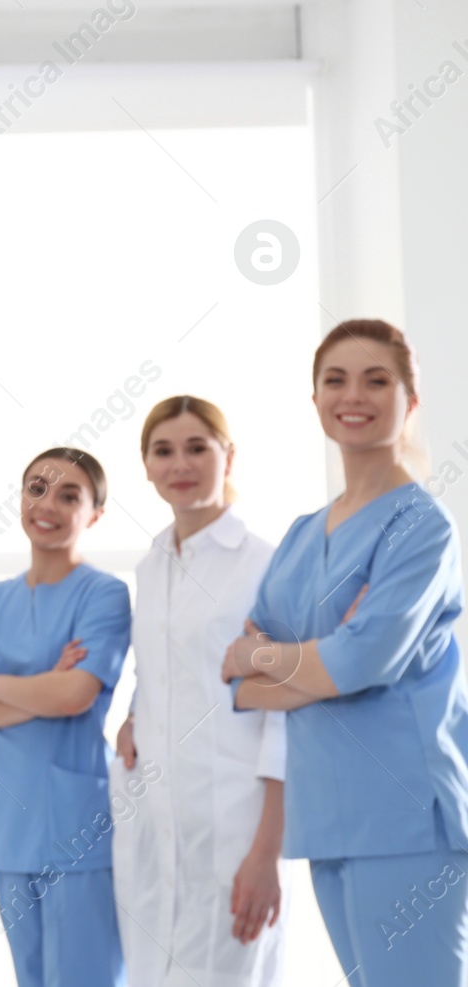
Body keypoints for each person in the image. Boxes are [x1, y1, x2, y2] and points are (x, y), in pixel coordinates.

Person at [225, 319, 468, 986]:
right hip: (326, 818)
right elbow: (235, 680)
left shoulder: (420, 526)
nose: (352, 394)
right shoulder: (305, 533)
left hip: (404, 815)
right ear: (315, 400)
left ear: (410, 401)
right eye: (335, 379)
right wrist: (317, 659)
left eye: (376, 379)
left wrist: (275, 658)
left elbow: (357, 664)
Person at [110, 396, 286, 986]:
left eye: (197, 448)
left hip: (232, 827)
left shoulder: (265, 565)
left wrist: (265, 854)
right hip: (154, 825)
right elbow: (162, 667)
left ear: (228, 456)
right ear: (146, 465)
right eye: (163, 451)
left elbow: (287, 714)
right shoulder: (151, 564)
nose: (180, 464)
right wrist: (135, 714)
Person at [0, 447, 130, 987]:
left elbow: (74, 697)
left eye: (70, 495)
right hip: (9, 822)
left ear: (94, 513)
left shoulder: (104, 594)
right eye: (37, 488)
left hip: (78, 821)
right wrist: (44, 681)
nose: (47, 504)